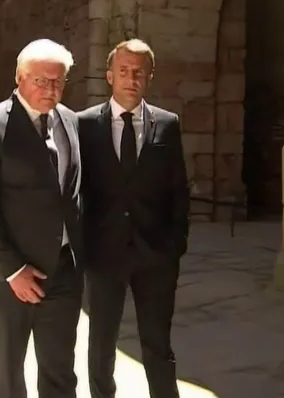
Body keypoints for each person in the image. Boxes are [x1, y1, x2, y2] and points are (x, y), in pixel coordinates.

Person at [0, 38, 84, 398]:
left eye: (58, 81)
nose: (51, 89)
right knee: (9, 371)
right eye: (41, 80)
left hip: (63, 272)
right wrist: (13, 270)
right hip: (9, 277)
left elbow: (73, 193)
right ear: (19, 77)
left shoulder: (70, 121)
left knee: (60, 369)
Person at [76, 38, 190, 398]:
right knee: (101, 343)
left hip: (154, 256)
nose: (131, 78)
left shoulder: (167, 125)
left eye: (139, 72)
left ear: (150, 77)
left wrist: (174, 247)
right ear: (109, 75)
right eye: (124, 71)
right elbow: (77, 189)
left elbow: (178, 190)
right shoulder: (84, 125)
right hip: (104, 254)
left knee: (157, 344)